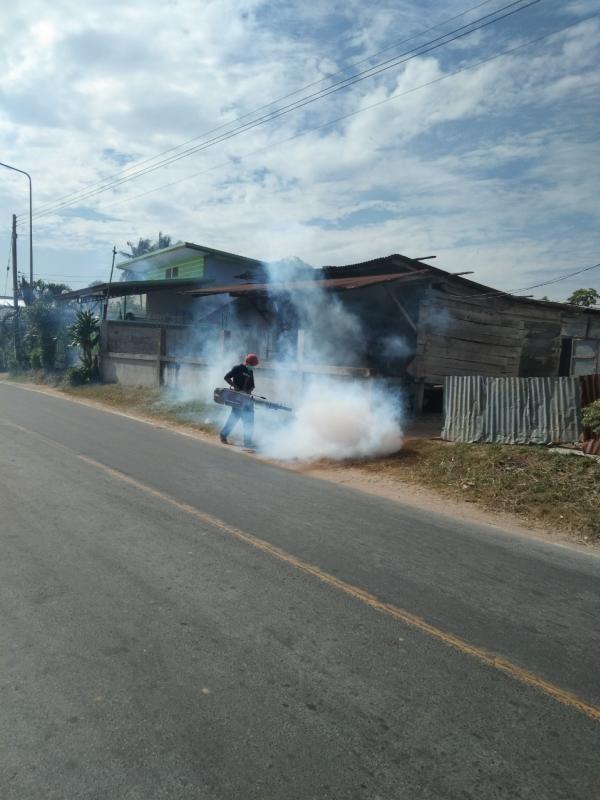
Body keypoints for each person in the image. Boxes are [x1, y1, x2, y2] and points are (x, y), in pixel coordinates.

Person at [219, 354, 259, 447]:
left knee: (249, 420)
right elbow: (226, 377)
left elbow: (252, 385)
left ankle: (247, 442)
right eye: (252, 365)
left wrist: (248, 391)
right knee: (234, 418)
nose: (253, 367)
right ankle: (223, 435)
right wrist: (235, 386)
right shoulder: (237, 368)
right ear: (248, 363)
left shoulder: (250, 371)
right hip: (237, 398)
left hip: (247, 399)